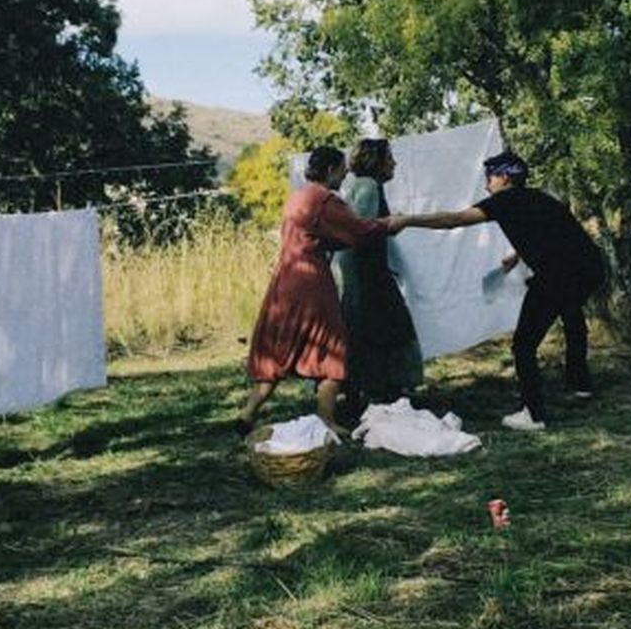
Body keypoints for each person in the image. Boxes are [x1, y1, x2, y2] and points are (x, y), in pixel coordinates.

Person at [398, 150, 604, 431]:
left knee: (523, 345)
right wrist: (518, 255)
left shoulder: (503, 201)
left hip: (558, 277)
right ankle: (580, 384)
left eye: (490, 177)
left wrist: (407, 220)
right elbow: (551, 232)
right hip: (590, 270)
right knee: (572, 315)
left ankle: (533, 414)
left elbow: (454, 220)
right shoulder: (540, 197)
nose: (486, 184)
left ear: (505, 177)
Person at [241, 146, 403, 436]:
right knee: (332, 347)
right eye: (341, 169)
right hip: (310, 281)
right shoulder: (325, 200)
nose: (345, 174)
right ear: (329, 170)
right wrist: (390, 224)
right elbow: (358, 231)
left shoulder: (298, 198)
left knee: (281, 346)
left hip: (285, 277)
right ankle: (326, 419)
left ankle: (248, 412)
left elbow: (322, 237)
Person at [333, 138, 424, 418]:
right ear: (377, 161)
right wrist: (388, 224)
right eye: (390, 158)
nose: (394, 163)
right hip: (367, 275)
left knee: (365, 332)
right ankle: (382, 394)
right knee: (387, 329)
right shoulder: (369, 186)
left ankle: (364, 393)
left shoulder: (361, 186)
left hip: (363, 273)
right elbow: (362, 231)